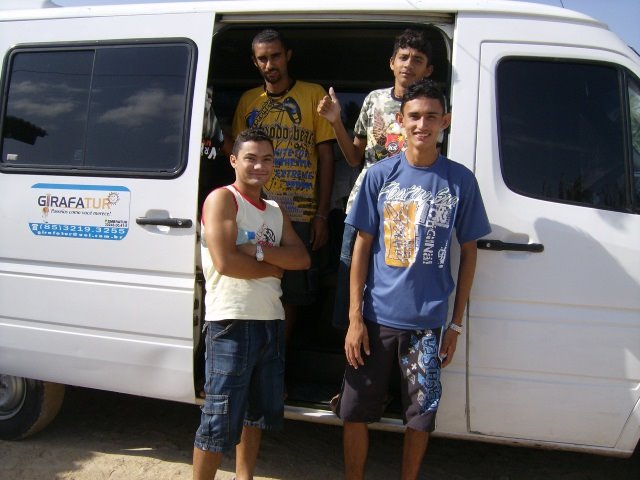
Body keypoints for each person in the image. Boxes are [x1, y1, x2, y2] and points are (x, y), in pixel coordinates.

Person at [332, 79, 491, 480]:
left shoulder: (460, 181)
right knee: (354, 412)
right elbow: (362, 248)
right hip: (374, 321)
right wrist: (354, 318)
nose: (423, 124)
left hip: (427, 326)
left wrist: (455, 325)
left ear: (445, 121)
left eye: (431, 117)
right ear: (400, 121)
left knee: (421, 418)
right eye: (415, 116)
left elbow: (469, 252)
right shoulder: (379, 175)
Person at [192, 128, 310, 480]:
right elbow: (226, 262)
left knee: (255, 415)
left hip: (270, 321)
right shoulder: (223, 199)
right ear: (233, 161)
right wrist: (273, 266)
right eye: (251, 158)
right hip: (232, 321)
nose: (260, 166)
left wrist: (257, 251)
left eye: (267, 159)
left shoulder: (274, 210)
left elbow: (302, 258)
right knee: (218, 420)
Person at [317, 29, 435, 328]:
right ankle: (349, 342)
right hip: (364, 204)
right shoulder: (374, 100)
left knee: (392, 281)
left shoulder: (429, 110)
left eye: (417, 60)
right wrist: (335, 122)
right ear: (392, 62)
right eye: (403, 57)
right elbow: (354, 158)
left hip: (406, 209)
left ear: (428, 70)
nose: (409, 64)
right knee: (350, 277)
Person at [232, 29, 336, 344]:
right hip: (255, 211)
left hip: (299, 214)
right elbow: (236, 158)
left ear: (287, 56)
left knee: (292, 293)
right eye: (262, 58)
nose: (270, 64)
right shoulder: (249, 101)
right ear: (254, 62)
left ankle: (279, 358)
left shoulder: (313, 94)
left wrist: (321, 215)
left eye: (275, 56)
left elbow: (326, 157)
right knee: (256, 282)